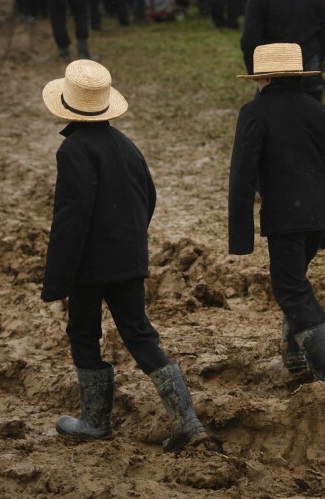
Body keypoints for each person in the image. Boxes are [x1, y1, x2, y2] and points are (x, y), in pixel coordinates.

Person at [41, 60, 211, 450]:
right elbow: (148, 198)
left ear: (67, 104)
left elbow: (71, 218)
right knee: (138, 332)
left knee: (84, 332)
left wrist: (56, 280)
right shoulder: (127, 146)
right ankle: (187, 420)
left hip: (90, 267)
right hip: (129, 261)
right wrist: (129, 241)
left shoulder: (73, 149)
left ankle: (95, 422)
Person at [228, 43, 325, 382]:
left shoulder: (254, 113)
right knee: (295, 278)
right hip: (321, 215)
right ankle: (294, 352)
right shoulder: (319, 111)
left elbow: (242, 176)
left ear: (263, 78)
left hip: (286, 217)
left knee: (290, 287)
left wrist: (241, 238)